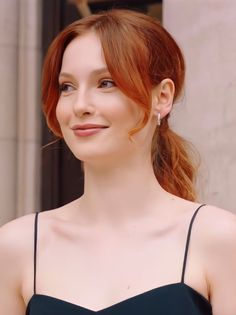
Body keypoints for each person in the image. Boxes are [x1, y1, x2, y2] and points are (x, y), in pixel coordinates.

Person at [0, 8, 236, 315]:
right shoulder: (17, 246)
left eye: (106, 82)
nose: (80, 105)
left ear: (162, 97)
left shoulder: (218, 240)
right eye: (67, 87)